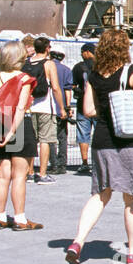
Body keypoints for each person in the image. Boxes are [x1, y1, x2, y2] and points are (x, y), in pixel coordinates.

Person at [65, 28, 133, 264]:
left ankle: (78, 240)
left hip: (102, 140)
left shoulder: (94, 75)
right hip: (129, 141)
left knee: (100, 195)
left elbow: (88, 111)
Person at [0, 40, 40, 230]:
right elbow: (19, 108)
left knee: (2, 174)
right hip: (18, 126)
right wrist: (12, 132)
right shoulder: (24, 78)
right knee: (19, 175)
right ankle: (20, 218)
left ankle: (0, 216)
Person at [24, 37, 66, 185]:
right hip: (45, 106)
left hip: (29, 106)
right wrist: (61, 107)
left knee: (31, 140)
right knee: (45, 140)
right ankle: (42, 174)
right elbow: (55, 87)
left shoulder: (27, 62)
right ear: (48, 48)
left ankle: (29, 172)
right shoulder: (48, 64)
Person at [71, 43, 96, 176]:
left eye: (82, 52)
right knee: (98, 134)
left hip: (82, 106)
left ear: (87, 52)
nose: (81, 54)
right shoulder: (100, 66)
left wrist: (78, 90)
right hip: (97, 106)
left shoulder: (78, 67)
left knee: (83, 135)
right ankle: (98, 162)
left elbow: (73, 85)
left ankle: (85, 162)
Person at [48, 51, 72, 175]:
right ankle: (63, 164)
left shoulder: (46, 67)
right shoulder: (66, 70)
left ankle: (54, 165)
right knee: (62, 137)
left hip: (49, 106)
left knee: (50, 138)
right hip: (61, 106)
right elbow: (68, 90)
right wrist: (67, 107)